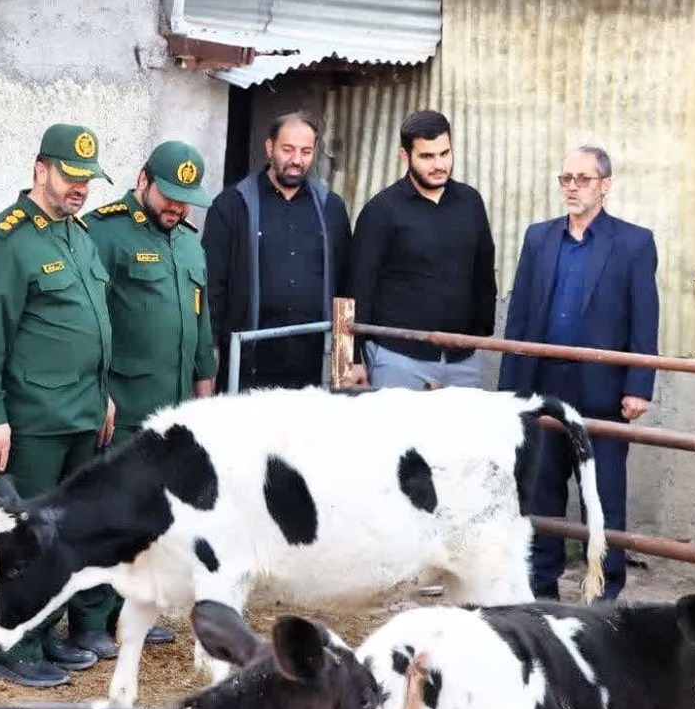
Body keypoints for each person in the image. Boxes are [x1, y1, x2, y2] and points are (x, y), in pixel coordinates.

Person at [0, 122, 117, 688]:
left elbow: (91, 325)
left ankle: (44, 634)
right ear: (40, 169)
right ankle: (12, 646)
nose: (80, 189)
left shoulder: (77, 235)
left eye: (88, 180)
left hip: (81, 412)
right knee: (23, 535)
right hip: (30, 420)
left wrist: (103, 396)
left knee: (63, 535)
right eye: (71, 177)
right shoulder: (5, 241)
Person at [498, 145, 658, 601]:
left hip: (602, 390)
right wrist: (512, 389)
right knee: (542, 491)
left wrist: (639, 385)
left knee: (602, 494)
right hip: (546, 384)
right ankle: (541, 589)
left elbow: (644, 317)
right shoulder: (539, 238)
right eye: (566, 178)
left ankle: (603, 594)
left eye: (583, 179)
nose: (572, 186)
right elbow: (521, 317)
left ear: (604, 186)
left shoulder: (633, 243)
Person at [79, 140, 217, 656]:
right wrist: (99, 392)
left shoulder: (187, 243)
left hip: (172, 407)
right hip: (124, 402)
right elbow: (88, 322)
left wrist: (204, 385)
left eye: (186, 199)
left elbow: (201, 323)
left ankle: (130, 609)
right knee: (109, 513)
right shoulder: (104, 233)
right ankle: (90, 620)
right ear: (142, 181)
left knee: (152, 517)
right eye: (168, 195)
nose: (176, 208)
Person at [203, 111, 353, 391]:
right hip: (248, 365)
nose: (297, 160)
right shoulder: (232, 206)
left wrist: (345, 360)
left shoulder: (331, 208)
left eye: (306, 151)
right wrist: (209, 358)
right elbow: (213, 288)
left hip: (312, 368)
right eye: (288, 149)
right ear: (269, 147)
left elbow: (346, 286)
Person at [349, 110, 497, 389]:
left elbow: (483, 269)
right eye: (427, 156)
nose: (439, 164)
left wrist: (480, 332)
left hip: (462, 359)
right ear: (405, 156)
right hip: (398, 359)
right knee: (400, 435)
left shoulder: (470, 202)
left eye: (445, 153)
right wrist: (353, 358)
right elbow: (358, 287)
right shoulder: (381, 210)